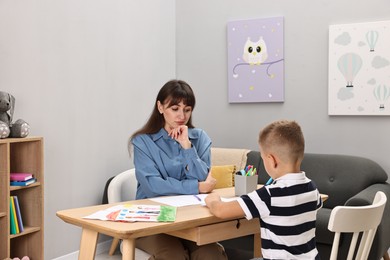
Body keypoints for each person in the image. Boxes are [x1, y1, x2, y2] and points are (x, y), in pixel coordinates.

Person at [129, 79, 227, 260]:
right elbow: (153, 186)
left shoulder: (200, 138)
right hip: (153, 219)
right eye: (175, 109)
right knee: (172, 255)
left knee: (210, 254)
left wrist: (186, 146)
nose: (182, 115)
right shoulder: (142, 142)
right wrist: (196, 187)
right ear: (160, 107)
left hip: (191, 216)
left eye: (187, 109)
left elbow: (203, 177)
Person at [205, 120, 323, 260]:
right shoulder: (312, 189)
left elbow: (221, 211)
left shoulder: (269, 195)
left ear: (272, 160)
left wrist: (213, 199)